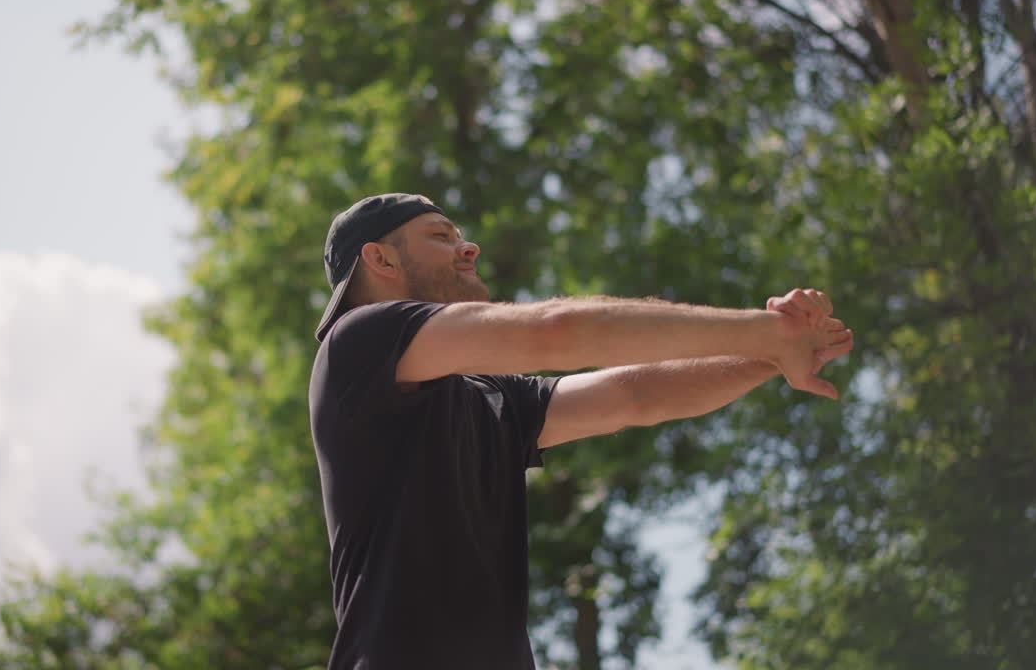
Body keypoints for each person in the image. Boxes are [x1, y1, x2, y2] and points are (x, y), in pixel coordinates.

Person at [309, 193, 853, 670]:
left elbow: (639, 395)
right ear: (379, 259)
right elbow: (557, 331)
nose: (469, 247)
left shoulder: (487, 393)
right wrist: (768, 329)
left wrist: (772, 354)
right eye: (440, 236)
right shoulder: (358, 341)